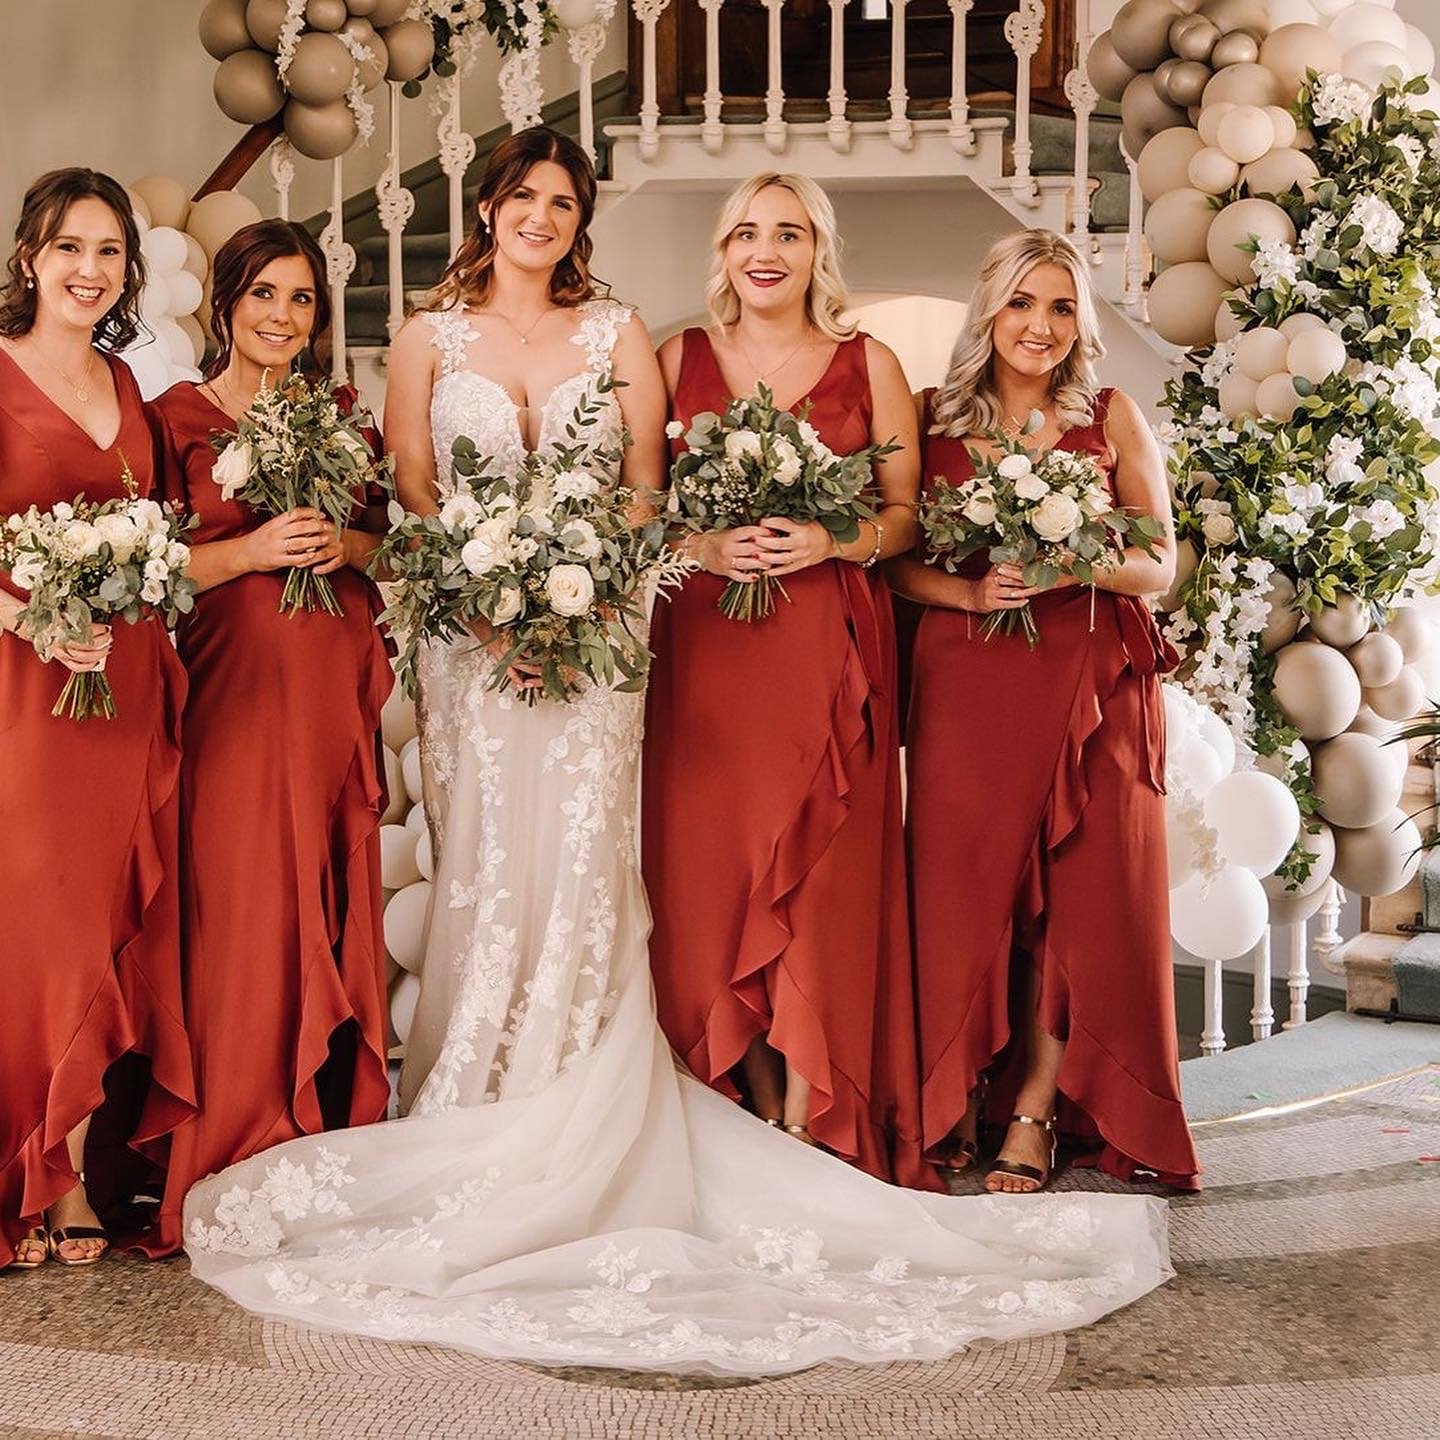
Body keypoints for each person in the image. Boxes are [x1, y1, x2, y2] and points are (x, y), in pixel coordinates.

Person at [180, 136, 1173, 1377]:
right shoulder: (430, 342)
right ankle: (478, 1100)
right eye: (522, 198)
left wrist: (587, 596)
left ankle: (607, 1094)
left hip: (599, 647)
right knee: (487, 868)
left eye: (562, 202)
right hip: (471, 653)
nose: (540, 217)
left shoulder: (621, 335)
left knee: (599, 875)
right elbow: (416, 500)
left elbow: (645, 498)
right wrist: (491, 607)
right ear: (487, 210)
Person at [892, 228, 1201, 1194]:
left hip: (1093, 683)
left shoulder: (1110, 416)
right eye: (1023, 302)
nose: (1040, 325)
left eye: (1062, 307)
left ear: (1081, 324)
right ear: (990, 308)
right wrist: (971, 596)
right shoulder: (924, 417)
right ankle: (947, 1096)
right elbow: (889, 561)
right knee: (963, 897)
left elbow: (1158, 561)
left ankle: (1034, 1105)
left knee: (1082, 898)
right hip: (967, 684)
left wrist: (1075, 562)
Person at [643, 172, 933, 1188]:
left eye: (790, 233)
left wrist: (825, 537)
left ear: (819, 250)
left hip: (824, 651)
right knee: (715, 878)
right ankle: (742, 1105)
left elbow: (905, 518)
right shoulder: (674, 359)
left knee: (818, 882)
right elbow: (635, 511)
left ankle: (817, 1115)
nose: (766, 250)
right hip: (708, 656)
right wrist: (703, 543)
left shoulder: (872, 362)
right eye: (746, 233)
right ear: (722, 252)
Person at [146, 220, 393, 1251]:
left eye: (301, 301)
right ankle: (235, 1136)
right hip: (231, 695)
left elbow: (390, 541)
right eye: (263, 296)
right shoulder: (173, 416)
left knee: (321, 894)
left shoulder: (342, 416)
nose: (282, 318)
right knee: (241, 900)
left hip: (331, 689)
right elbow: (151, 565)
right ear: (226, 304)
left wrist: (347, 541)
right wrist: (247, 551)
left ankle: (318, 1132)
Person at [0, 168, 194, 1268]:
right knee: (33, 929)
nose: (89, 269)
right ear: (31, 256)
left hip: (119, 686)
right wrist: (25, 622)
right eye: (70, 247)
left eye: (110, 251)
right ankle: (31, 1169)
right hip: (24, 690)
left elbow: (160, 532)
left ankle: (71, 1162)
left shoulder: (130, 383)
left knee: (100, 923)